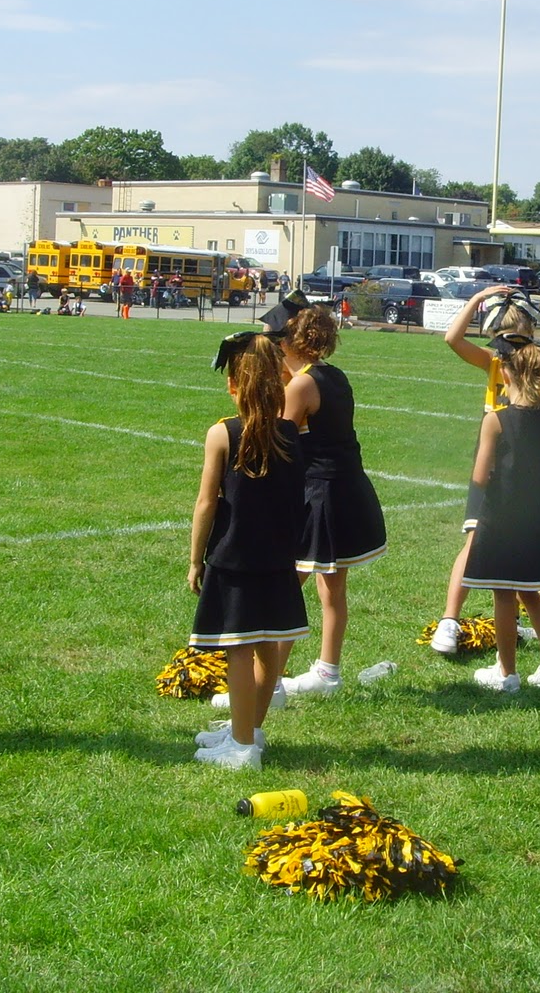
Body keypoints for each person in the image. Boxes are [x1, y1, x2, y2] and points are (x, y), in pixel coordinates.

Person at [187, 332, 309, 770]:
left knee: (237, 647)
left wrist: (194, 558)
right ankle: (249, 733)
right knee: (267, 646)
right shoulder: (293, 432)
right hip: (279, 556)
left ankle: (241, 748)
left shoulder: (222, 432)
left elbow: (206, 503)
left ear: (233, 385)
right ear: (279, 384)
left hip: (234, 556)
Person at [259, 294, 388, 698]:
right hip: (345, 490)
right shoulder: (333, 376)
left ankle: (269, 686)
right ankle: (327, 673)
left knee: (281, 590)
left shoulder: (301, 385)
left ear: (287, 343)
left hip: (322, 497)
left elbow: (277, 444)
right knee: (330, 588)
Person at [428, 286, 540, 656]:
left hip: (521, 468)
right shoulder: (493, 362)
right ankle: (450, 620)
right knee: (476, 538)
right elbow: (452, 339)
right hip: (495, 460)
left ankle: (501, 621)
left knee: (510, 545)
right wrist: (479, 298)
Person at [462, 334, 540, 692]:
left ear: (506, 376)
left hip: (501, 518)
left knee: (503, 595)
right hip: (537, 520)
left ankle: (506, 673)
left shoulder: (496, 420)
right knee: (531, 590)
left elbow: (480, 477)